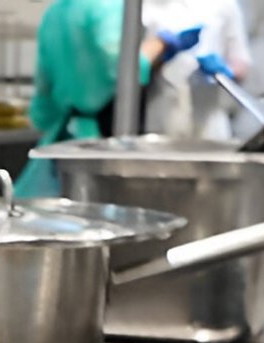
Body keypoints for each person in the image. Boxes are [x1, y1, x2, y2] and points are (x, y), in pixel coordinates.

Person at [14, 0, 202, 197]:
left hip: (63, 142)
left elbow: (42, 107)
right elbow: (124, 68)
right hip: (103, 142)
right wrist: (162, 44)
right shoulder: (107, 7)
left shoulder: (56, 11)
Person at [143, 0, 252, 140]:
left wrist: (225, 71)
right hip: (162, 115)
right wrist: (162, 53)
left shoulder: (225, 4)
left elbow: (241, 62)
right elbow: (133, 64)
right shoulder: (148, 5)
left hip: (210, 120)